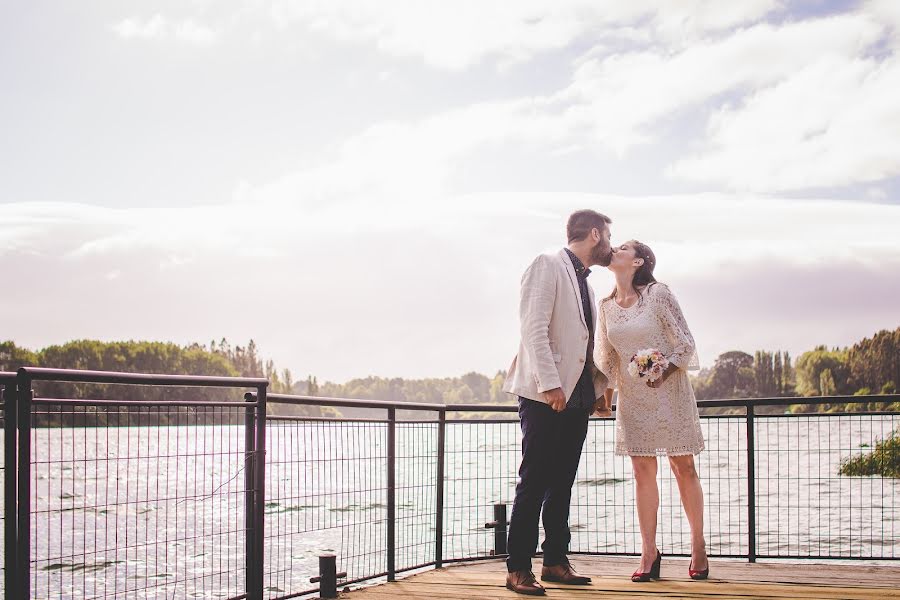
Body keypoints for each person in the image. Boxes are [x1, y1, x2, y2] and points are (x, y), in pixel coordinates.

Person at [502, 209, 614, 596]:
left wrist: (598, 392)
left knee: (563, 481)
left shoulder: (587, 284)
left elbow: (582, 345)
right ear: (595, 234)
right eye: (609, 238)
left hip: (578, 395)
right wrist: (550, 385)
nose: (611, 246)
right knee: (534, 481)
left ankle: (554, 561)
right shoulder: (546, 263)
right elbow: (533, 327)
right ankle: (518, 568)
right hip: (545, 394)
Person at [594, 240, 708, 583]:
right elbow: (609, 361)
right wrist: (606, 400)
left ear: (639, 260)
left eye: (624, 247)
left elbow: (684, 342)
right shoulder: (605, 307)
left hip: (669, 392)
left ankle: (698, 545)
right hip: (633, 399)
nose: (616, 248)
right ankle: (649, 551)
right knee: (642, 472)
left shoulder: (658, 294)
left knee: (682, 465)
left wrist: (663, 371)